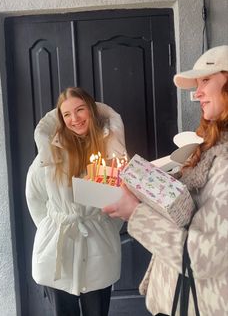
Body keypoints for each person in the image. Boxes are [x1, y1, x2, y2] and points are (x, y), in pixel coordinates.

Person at [103, 45, 228, 316]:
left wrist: (134, 213)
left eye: (206, 80)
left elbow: (203, 257)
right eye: (197, 83)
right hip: (180, 300)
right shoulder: (210, 150)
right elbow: (192, 218)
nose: (197, 93)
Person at [26, 87, 126, 316]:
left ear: (91, 111)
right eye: (67, 114)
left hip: (98, 243)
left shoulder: (109, 151)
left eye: (80, 110)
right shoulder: (49, 153)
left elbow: (117, 199)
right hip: (57, 248)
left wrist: (102, 227)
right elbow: (34, 196)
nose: (74, 119)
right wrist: (51, 227)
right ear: (60, 119)